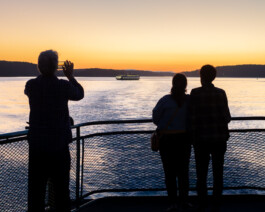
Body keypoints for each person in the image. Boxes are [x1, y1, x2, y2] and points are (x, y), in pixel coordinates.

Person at [25, 50, 84, 212]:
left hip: (37, 148)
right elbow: (79, 94)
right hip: (59, 147)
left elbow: (31, 93)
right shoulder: (63, 86)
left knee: (36, 192)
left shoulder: (31, 85)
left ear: (39, 66)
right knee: (61, 191)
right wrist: (70, 76)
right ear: (56, 68)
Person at [190, 65, 231, 211]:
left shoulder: (194, 93)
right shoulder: (221, 93)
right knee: (218, 171)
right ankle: (217, 201)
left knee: (201, 173)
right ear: (214, 77)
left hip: (200, 140)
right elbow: (227, 117)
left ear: (201, 76)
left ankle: (202, 202)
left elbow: (191, 118)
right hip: (219, 139)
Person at [152, 74, 192, 212]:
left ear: (173, 84)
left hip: (167, 140)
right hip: (184, 139)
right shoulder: (189, 100)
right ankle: (184, 201)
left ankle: (173, 203)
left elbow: (156, 118)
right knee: (183, 173)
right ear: (186, 85)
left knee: (169, 173)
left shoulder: (165, 100)